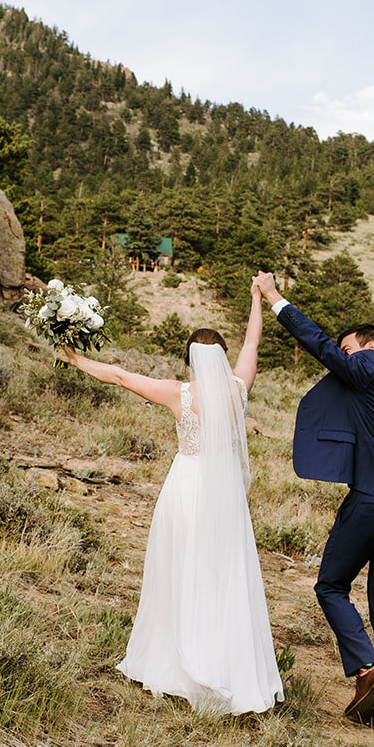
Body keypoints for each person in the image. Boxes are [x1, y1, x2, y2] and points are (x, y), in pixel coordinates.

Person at [56, 294, 283, 715]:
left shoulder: (180, 394)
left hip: (187, 489)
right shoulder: (239, 388)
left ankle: (177, 660)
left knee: (180, 567)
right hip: (227, 495)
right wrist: (256, 298)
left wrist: (76, 361)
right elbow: (253, 344)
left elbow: (121, 377)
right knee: (223, 573)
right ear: (221, 358)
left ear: (190, 361)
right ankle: (231, 666)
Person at [252, 271, 374, 730]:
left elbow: (318, 343)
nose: (342, 359)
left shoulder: (371, 367)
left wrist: (276, 298)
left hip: (372, 502)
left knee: (330, 585)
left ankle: (368, 667)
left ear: (370, 350)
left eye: (349, 350)